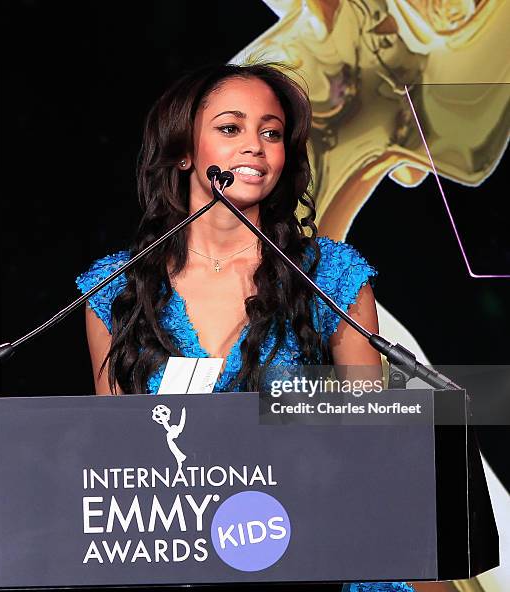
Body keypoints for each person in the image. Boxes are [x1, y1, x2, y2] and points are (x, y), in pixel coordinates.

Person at [77, 62, 414, 592]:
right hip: (176, 564)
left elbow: (376, 439)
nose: (255, 146)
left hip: (311, 556)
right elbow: (119, 469)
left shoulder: (331, 276)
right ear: (185, 151)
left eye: (271, 132)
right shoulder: (116, 289)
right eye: (231, 128)